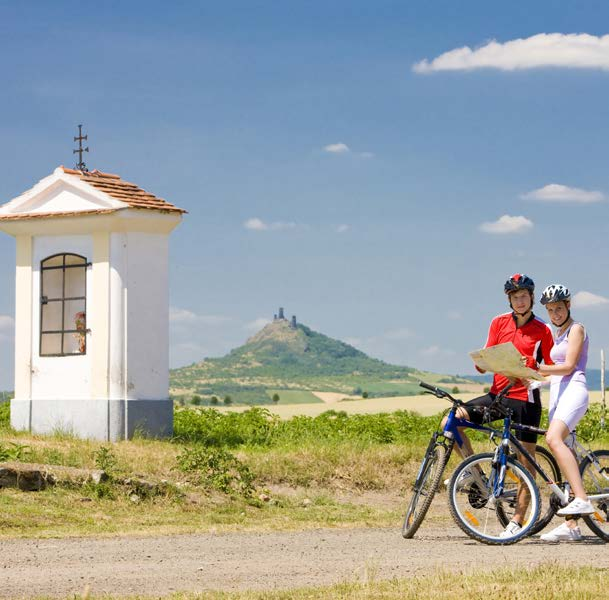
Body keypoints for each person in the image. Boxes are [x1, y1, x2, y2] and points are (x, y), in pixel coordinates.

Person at [445, 273, 554, 538]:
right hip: (498, 395)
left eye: (524, 296)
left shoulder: (543, 330)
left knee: (525, 463)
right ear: (509, 300)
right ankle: (477, 477)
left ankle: (517, 520)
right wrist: (481, 362)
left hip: (525, 400)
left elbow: (550, 366)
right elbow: (485, 357)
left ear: (531, 298)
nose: (520, 301)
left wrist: (538, 381)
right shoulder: (498, 322)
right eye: (515, 297)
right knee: (452, 420)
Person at [536, 284, 593, 543]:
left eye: (559, 307)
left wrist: (540, 368)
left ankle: (581, 498)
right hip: (558, 392)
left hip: (575, 389)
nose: (555, 313)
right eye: (550, 309)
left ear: (568, 305)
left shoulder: (575, 329)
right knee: (564, 453)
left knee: (553, 439)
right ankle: (572, 526)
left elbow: (569, 365)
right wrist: (535, 378)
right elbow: (552, 371)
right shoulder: (551, 332)